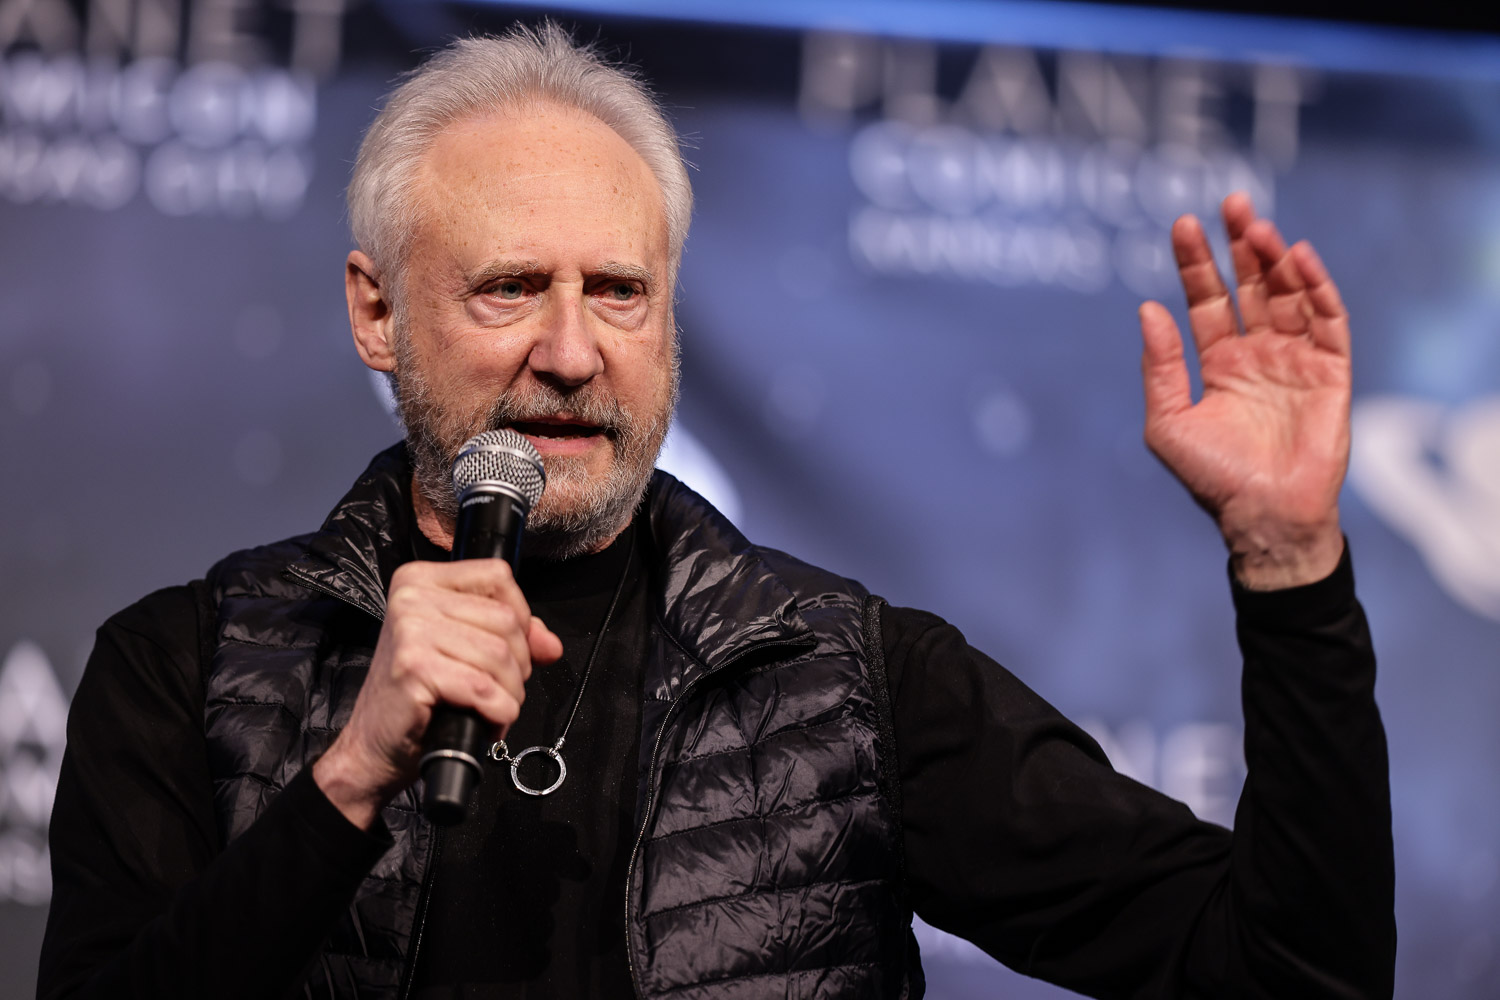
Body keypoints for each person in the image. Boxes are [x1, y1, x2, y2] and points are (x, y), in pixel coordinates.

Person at [37, 22, 1394, 1000]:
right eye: (510, 287)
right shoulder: (190, 665)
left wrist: (1289, 564)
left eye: (619, 291)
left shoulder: (843, 680)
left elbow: (1287, 970)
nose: (571, 352)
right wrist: (344, 788)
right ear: (377, 311)